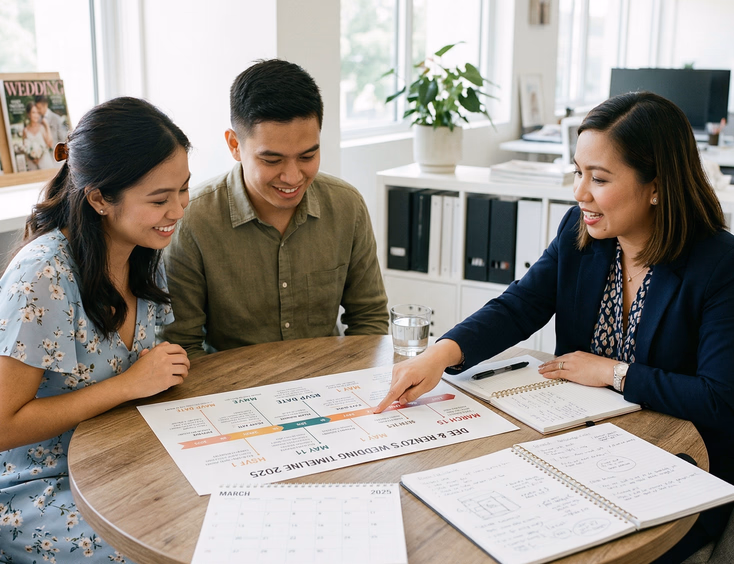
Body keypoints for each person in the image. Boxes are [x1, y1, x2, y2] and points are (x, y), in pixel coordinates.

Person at [376, 91, 734, 563]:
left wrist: (614, 372)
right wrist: (440, 355)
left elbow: (719, 398)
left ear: (657, 186)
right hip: (581, 446)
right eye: (577, 171)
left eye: (599, 178)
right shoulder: (581, 231)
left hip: (679, 468)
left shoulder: (718, 264)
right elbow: (521, 304)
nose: (580, 192)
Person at [0, 97, 191, 563]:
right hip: (40, 486)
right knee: (156, 549)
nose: (178, 210)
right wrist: (128, 385)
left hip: (119, 461)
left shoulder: (143, 253)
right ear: (101, 198)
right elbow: (2, 425)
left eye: (184, 190)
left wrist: (156, 370)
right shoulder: (43, 275)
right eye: (160, 199)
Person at [162, 59, 388, 358]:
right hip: (233, 390)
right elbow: (183, 345)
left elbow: (369, 319)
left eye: (308, 156)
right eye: (272, 160)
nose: (293, 177)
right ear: (234, 145)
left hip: (328, 383)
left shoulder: (347, 205)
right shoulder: (193, 219)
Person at [21, 101, 55, 170]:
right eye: (33, 112)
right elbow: (25, 148)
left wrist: (47, 125)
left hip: (45, 162)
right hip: (32, 164)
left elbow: (50, 144)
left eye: (38, 113)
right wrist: (32, 157)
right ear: (29, 114)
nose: (36, 115)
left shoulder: (42, 128)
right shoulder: (25, 131)